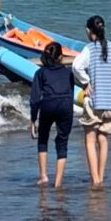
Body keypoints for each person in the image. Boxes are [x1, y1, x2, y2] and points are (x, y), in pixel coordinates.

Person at [74, 15, 111, 188]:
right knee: (103, 139)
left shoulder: (89, 49)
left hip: (94, 100)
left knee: (90, 140)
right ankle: (101, 177)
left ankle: (94, 178)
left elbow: (76, 66)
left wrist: (86, 81)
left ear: (89, 31)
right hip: (110, 101)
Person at [30, 42, 78, 188]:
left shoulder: (40, 73)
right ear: (60, 57)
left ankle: (44, 176)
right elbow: (70, 91)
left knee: (43, 138)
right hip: (65, 106)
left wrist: (33, 120)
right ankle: (58, 183)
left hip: (48, 105)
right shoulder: (68, 72)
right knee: (62, 143)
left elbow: (35, 99)